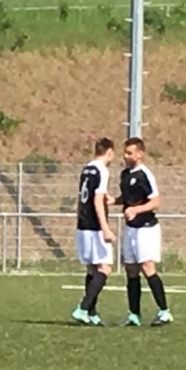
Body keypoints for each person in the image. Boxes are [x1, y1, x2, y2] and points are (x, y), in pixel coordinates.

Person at [117, 137, 173, 327]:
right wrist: (114, 200)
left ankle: (164, 311)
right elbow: (128, 198)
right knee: (131, 269)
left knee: (147, 267)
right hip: (131, 228)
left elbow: (155, 202)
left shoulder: (145, 174)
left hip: (146, 229)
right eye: (125, 152)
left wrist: (136, 210)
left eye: (129, 153)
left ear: (140, 154)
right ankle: (134, 314)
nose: (125, 156)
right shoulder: (125, 174)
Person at [72, 138, 117, 326]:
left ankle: (91, 313)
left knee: (92, 268)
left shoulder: (87, 168)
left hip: (82, 224)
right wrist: (105, 228)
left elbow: (88, 194)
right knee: (105, 267)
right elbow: (97, 200)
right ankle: (83, 308)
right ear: (109, 152)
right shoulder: (102, 170)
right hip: (95, 226)